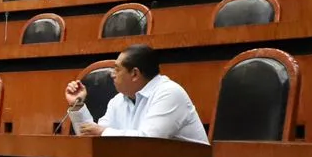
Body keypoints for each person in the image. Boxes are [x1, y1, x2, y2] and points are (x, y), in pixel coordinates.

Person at [64, 44, 208, 143]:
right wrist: (77, 104)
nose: (112, 75)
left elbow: (149, 141)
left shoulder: (169, 93)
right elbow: (93, 138)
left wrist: (103, 132)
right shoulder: (118, 100)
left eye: (117, 69)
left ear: (134, 74)